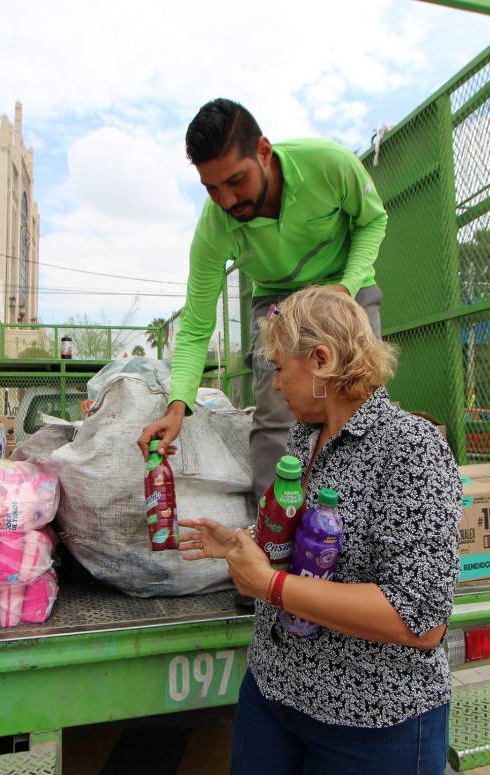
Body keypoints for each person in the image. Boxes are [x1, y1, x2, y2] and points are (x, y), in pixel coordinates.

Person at [179, 287, 461, 775]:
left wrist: (271, 585)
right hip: (275, 692)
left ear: (322, 360)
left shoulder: (411, 449)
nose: (275, 383)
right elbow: (308, 546)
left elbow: (420, 620)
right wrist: (245, 544)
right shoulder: (305, 436)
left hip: (368, 722)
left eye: (279, 368)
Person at [137, 98, 388, 501]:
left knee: (362, 406)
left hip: (347, 290)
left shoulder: (329, 164)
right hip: (277, 303)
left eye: (236, 181)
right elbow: (197, 325)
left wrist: (346, 287)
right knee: (276, 414)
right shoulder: (214, 228)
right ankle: (271, 529)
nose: (227, 201)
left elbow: (373, 220)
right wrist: (177, 406)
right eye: (212, 188)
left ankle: (365, 516)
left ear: (264, 152)